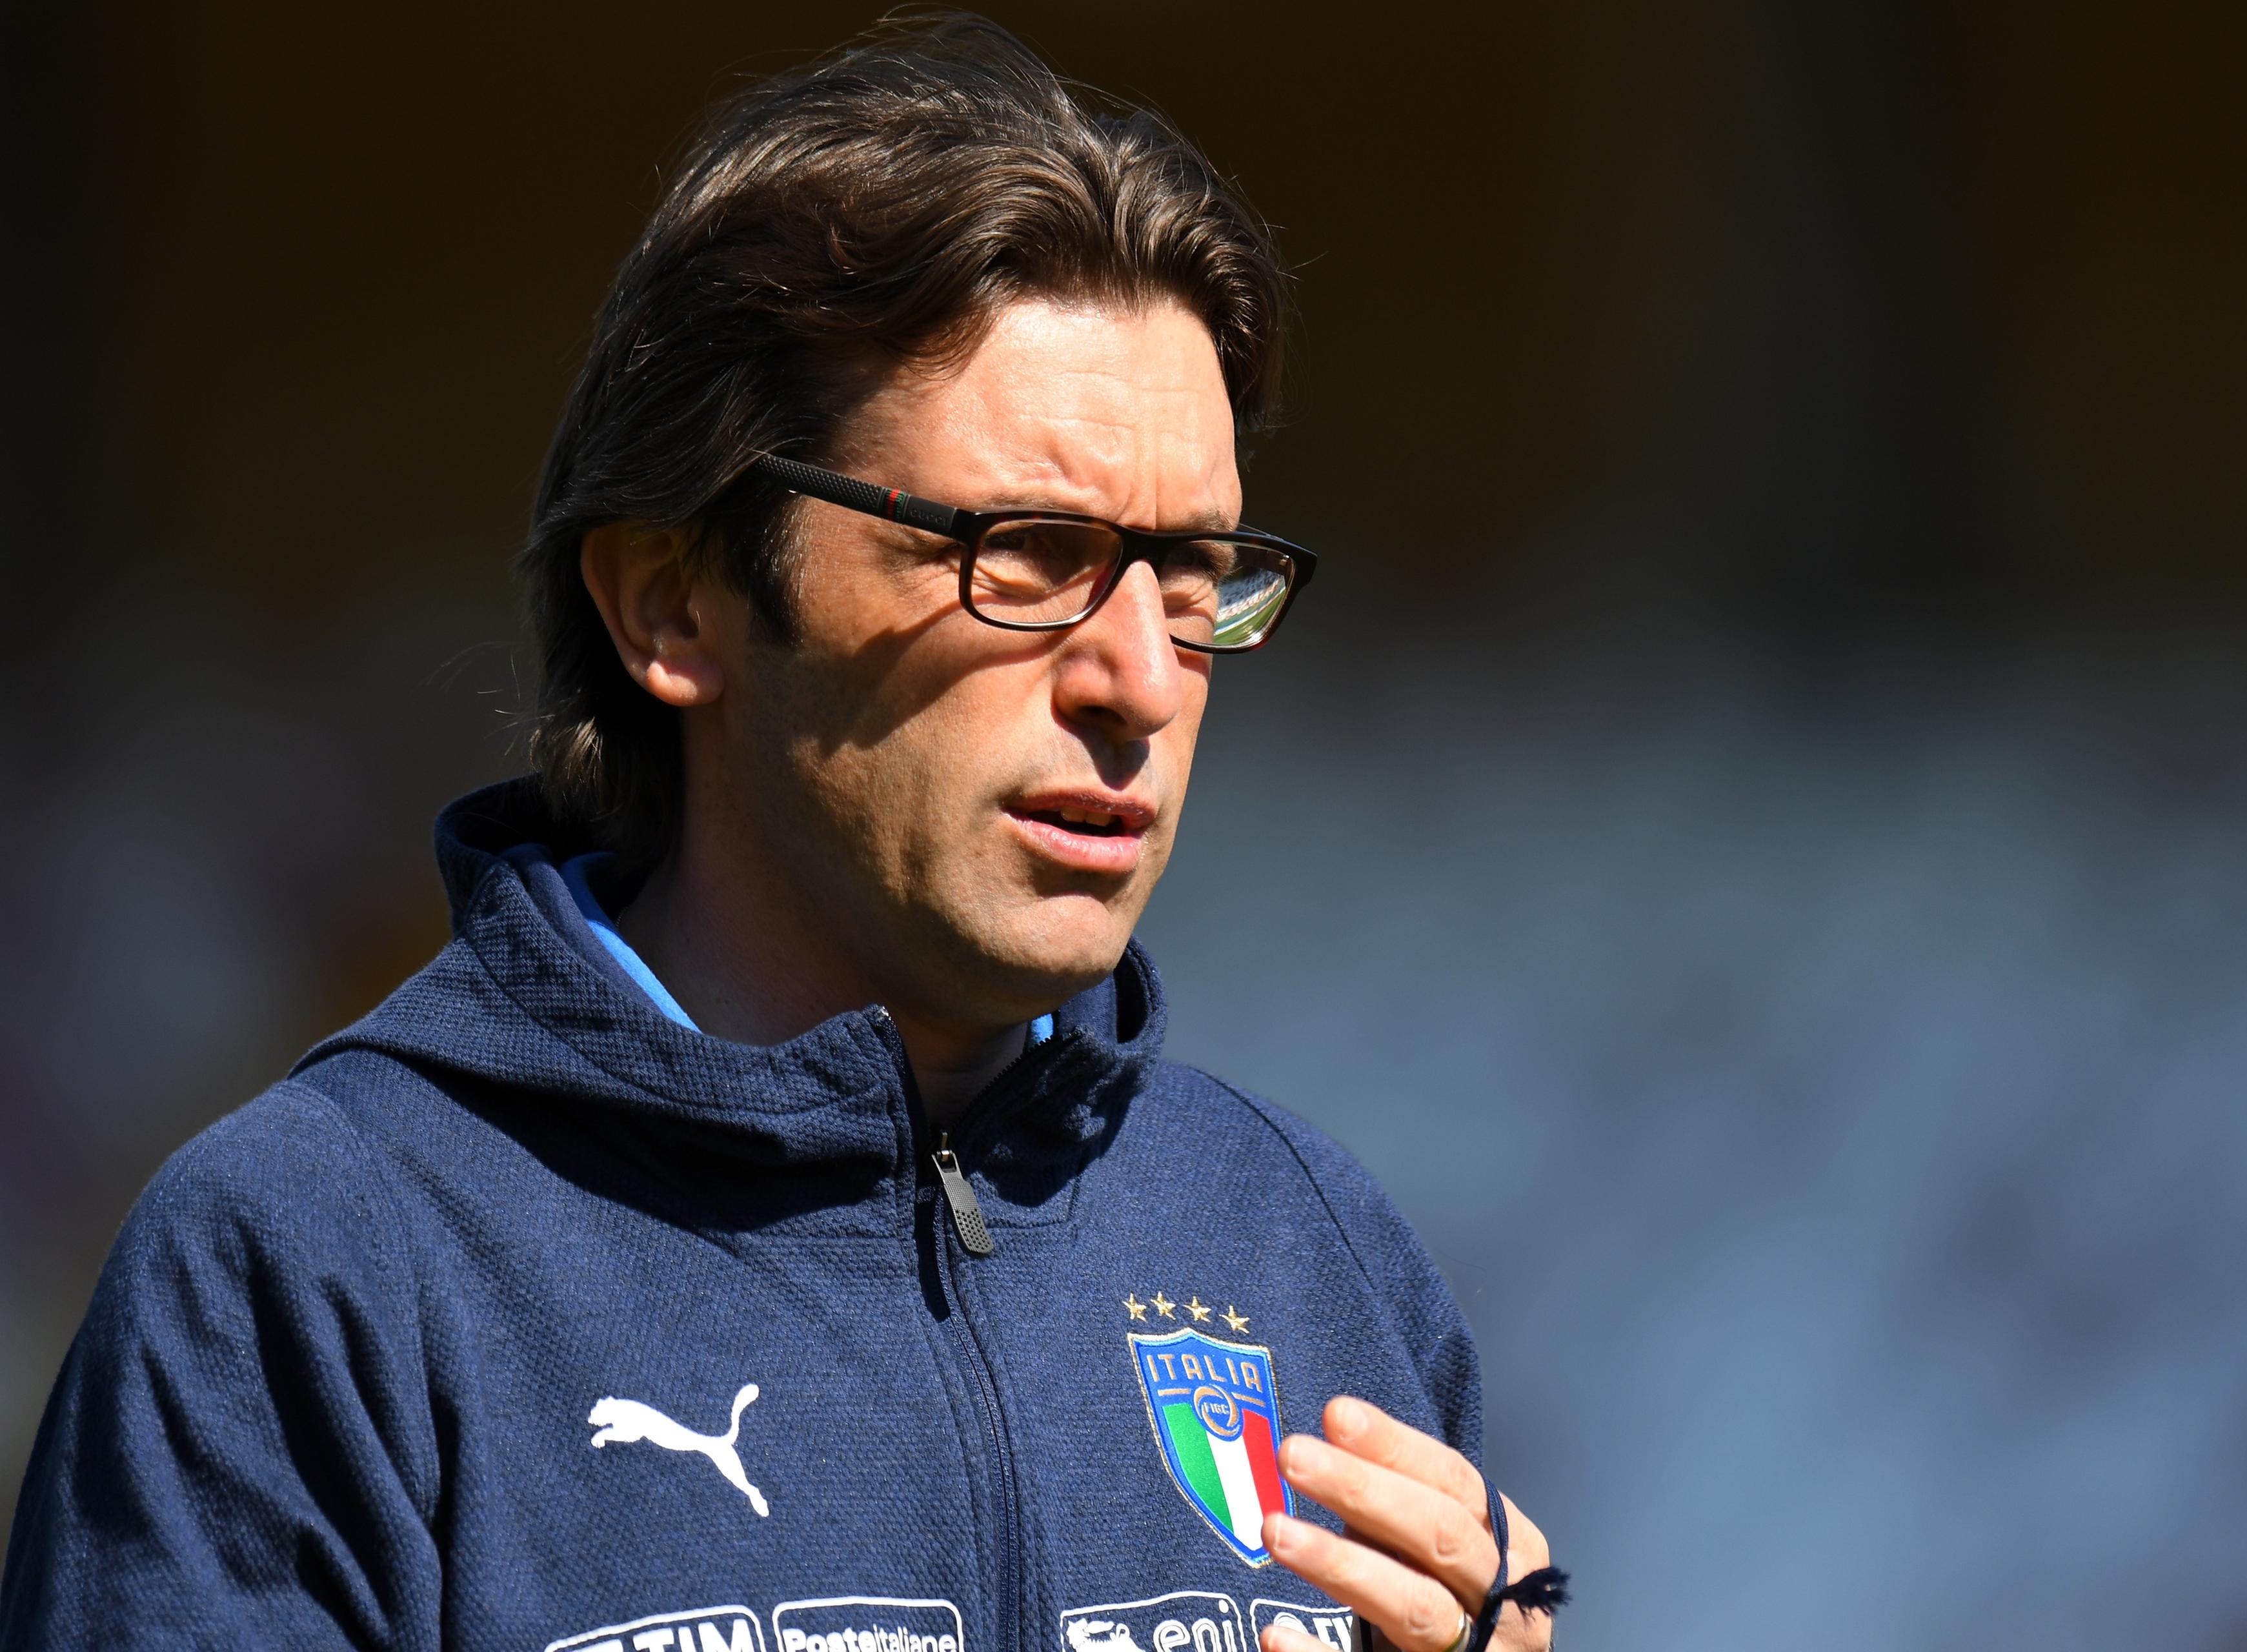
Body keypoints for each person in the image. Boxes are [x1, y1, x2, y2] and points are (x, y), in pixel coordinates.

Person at [0, 17, 1560, 1652]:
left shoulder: (1306, 1246)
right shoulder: (316, 1267)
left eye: (1193, 574)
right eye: (1026, 552)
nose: (1141, 677)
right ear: (674, 602)